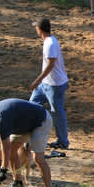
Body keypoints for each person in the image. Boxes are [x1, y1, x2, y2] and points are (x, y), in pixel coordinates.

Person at [28, 18, 70, 152]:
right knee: (32, 105)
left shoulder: (50, 44)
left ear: (40, 29)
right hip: (47, 83)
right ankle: (31, 135)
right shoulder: (49, 41)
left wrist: (37, 80)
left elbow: (51, 64)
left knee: (57, 112)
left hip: (54, 84)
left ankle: (63, 141)